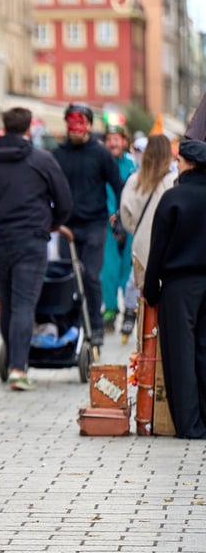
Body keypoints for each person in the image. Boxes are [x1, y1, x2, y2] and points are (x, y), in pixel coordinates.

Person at [0, 107, 72, 390]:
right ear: (30, 129)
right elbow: (64, 202)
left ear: (4, 127)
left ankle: (14, 359)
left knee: (7, 302)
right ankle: (18, 367)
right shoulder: (43, 160)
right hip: (31, 239)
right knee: (25, 304)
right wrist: (50, 224)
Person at [143, 139, 206, 439]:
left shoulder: (173, 198)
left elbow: (158, 249)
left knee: (180, 353)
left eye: (180, 162)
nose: (177, 166)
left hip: (179, 285)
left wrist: (150, 289)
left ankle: (190, 425)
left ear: (189, 164)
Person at [52, 103, 122, 347]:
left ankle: (96, 325)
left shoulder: (101, 154)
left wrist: (120, 218)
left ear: (90, 126)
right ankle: (71, 325)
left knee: (91, 276)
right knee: (68, 277)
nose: (76, 130)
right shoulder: (57, 155)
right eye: (72, 125)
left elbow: (118, 185)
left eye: (81, 124)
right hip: (66, 227)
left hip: (94, 224)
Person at [120, 135, 177, 292]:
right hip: (167, 249)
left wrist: (139, 230)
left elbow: (125, 218)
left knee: (144, 298)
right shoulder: (174, 181)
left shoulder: (134, 180)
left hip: (141, 247)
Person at [101, 123, 137, 333]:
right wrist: (110, 214)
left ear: (124, 141)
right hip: (107, 222)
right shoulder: (101, 163)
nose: (113, 143)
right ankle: (110, 308)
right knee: (108, 268)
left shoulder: (132, 166)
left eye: (117, 139)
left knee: (128, 267)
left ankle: (129, 308)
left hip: (130, 222)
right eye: (109, 139)